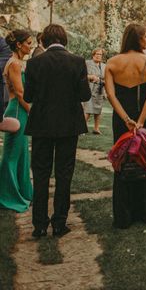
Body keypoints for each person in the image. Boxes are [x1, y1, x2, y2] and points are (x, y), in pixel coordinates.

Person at [24, 24, 91, 237]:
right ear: (64, 40)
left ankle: (39, 225)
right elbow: (84, 96)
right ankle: (60, 222)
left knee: (41, 174)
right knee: (64, 174)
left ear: (43, 40)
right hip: (68, 125)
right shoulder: (78, 62)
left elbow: (28, 97)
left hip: (42, 124)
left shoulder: (34, 63)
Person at [105, 23, 146, 228]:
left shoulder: (112, 62)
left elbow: (110, 95)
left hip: (122, 117)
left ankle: (124, 212)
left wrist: (126, 120)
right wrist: (140, 122)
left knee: (122, 159)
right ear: (138, 39)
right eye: (145, 38)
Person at [0, 30, 34, 213]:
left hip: (22, 110)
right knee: (12, 155)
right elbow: (20, 93)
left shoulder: (20, 63)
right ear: (19, 45)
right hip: (18, 110)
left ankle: (22, 192)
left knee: (22, 154)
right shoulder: (13, 63)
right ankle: (6, 195)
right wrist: (32, 112)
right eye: (28, 42)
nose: (31, 45)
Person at [84, 48, 106, 135]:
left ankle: (96, 128)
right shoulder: (87, 63)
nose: (98, 56)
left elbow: (106, 79)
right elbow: (81, 75)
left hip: (99, 90)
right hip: (88, 89)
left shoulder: (104, 66)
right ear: (93, 55)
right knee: (87, 110)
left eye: (100, 54)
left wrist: (101, 81)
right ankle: (82, 128)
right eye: (96, 54)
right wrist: (90, 77)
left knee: (98, 110)